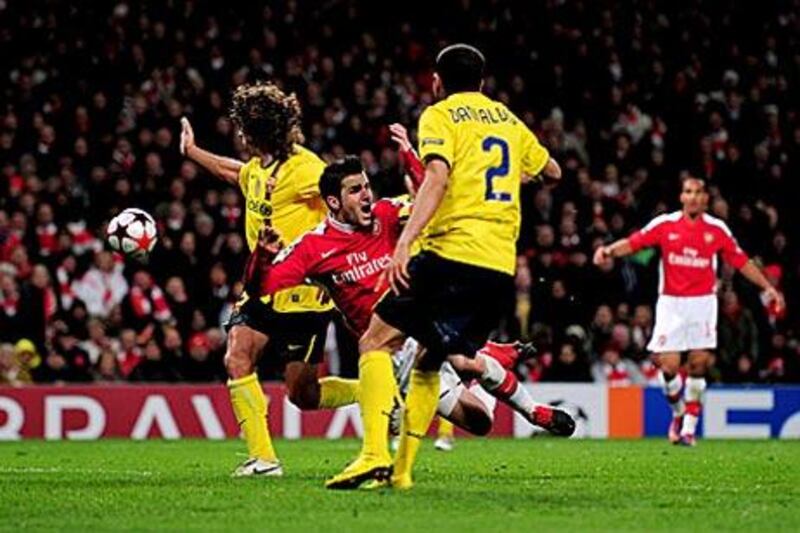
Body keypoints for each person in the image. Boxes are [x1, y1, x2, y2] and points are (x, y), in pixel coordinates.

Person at [324, 43, 565, 489]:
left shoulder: (440, 115)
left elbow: (435, 177)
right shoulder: (508, 120)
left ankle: (374, 454)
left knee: (376, 341)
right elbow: (552, 172)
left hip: (450, 252)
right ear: (483, 81)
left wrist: (405, 245)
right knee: (430, 361)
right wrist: (512, 178)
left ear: (437, 81)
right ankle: (401, 473)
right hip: (498, 267)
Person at [254, 157, 557, 446]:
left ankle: (530, 408)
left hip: (416, 323)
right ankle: (488, 355)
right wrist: (262, 257)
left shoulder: (387, 213)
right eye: (355, 190)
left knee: (457, 363)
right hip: (387, 353)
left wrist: (416, 162)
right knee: (481, 423)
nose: (366, 196)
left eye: (366, 187)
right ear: (333, 202)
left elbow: (438, 201)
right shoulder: (312, 247)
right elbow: (262, 287)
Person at [180, 82, 357, 477]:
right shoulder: (260, 170)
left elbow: (345, 192)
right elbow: (234, 173)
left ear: (251, 132)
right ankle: (263, 459)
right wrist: (192, 152)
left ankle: (379, 393)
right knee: (237, 355)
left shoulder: (305, 168)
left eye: (241, 126)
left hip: (304, 295)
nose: (238, 134)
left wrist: (362, 228)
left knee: (304, 395)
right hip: (264, 288)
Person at [593, 176, 784, 445]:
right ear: (682, 197)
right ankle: (679, 412)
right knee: (668, 367)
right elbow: (636, 242)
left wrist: (767, 287)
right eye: (688, 192)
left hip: (702, 304)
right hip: (671, 303)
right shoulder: (666, 224)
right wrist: (609, 251)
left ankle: (689, 430)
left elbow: (740, 259)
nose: (693, 197)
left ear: (706, 199)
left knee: (698, 364)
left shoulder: (717, 229)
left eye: (698, 193)